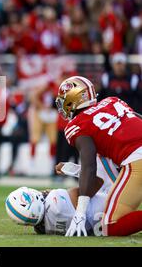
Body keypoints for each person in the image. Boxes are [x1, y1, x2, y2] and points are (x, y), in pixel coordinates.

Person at [55, 75, 142, 236]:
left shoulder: (77, 125)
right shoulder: (112, 101)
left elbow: (90, 166)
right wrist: (75, 170)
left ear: (72, 99)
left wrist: (80, 213)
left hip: (137, 158)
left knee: (110, 226)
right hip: (134, 154)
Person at [6, 155, 118, 236]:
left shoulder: (44, 229)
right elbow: (97, 182)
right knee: (100, 156)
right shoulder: (56, 199)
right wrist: (73, 169)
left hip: (109, 225)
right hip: (116, 202)